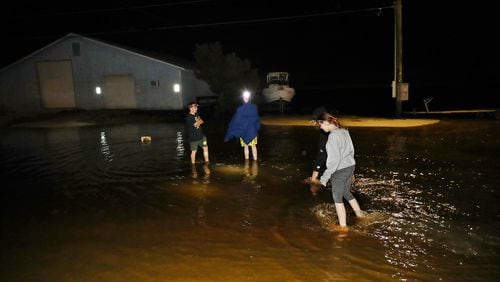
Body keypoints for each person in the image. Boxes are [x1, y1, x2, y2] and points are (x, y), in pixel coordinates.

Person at [316, 113, 365, 231]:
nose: (320, 127)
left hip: (339, 170)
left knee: (337, 198)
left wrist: (324, 178)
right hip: (350, 166)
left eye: (320, 124)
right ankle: (361, 216)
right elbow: (352, 150)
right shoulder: (344, 131)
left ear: (326, 123)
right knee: (347, 193)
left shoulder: (333, 137)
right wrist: (352, 172)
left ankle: (343, 227)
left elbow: (334, 160)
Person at [224, 90, 260, 160]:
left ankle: (255, 162)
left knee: (253, 146)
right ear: (243, 98)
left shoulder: (254, 107)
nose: (246, 98)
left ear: (249, 98)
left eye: (247, 97)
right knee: (245, 146)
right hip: (243, 130)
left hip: (251, 130)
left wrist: (252, 124)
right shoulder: (240, 109)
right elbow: (236, 120)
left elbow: (256, 118)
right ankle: (246, 163)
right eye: (244, 97)